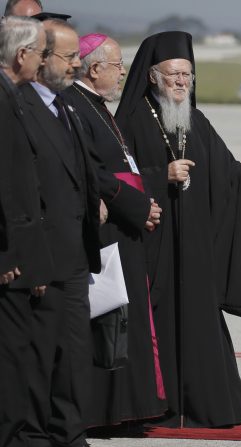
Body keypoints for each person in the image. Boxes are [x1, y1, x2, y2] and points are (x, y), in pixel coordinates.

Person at [115, 31, 241, 428]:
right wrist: (158, 176)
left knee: (201, 323)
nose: (182, 82)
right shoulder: (131, 121)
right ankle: (160, 406)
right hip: (154, 246)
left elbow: (228, 174)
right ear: (152, 76)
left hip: (195, 248)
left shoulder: (195, 119)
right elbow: (113, 179)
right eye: (173, 74)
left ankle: (205, 404)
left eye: (188, 74)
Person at [62, 32, 168, 427]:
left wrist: (145, 201)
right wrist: (138, 205)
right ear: (95, 68)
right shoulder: (76, 105)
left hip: (127, 222)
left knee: (128, 320)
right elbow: (98, 173)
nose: (124, 71)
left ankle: (126, 408)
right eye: (117, 64)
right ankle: (107, 411)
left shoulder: (98, 106)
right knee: (109, 321)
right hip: (110, 228)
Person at [19, 19, 101, 447]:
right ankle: (34, 435)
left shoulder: (66, 105)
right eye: (69, 58)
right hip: (42, 256)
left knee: (73, 353)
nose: (76, 66)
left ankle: (69, 433)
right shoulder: (20, 107)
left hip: (73, 254)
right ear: (42, 57)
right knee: (40, 355)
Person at [0, 15, 52, 447]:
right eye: (39, 53)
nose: (42, 62)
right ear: (21, 55)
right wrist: (6, 254)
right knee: (11, 353)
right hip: (8, 255)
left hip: (18, 250)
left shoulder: (11, 94)